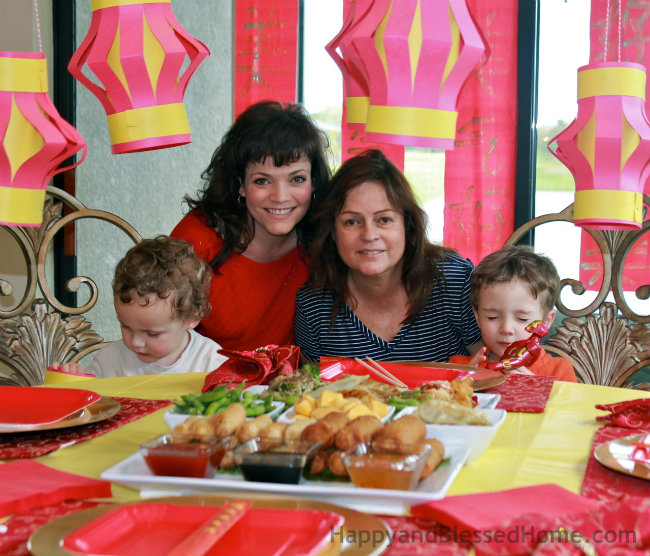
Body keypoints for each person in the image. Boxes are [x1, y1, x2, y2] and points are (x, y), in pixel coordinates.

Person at [295, 148, 483, 363]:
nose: (369, 235)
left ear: (407, 226)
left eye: (384, 220)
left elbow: (493, 365)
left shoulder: (454, 281)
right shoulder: (314, 306)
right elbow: (312, 384)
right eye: (352, 221)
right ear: (332, 232)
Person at [171, 100, 330, 350]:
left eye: (297, 179)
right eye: (262, 181)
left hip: (294, 376)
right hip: (203, 375)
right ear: (240, 185)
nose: (280, 196)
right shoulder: (197, 239)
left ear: (314, 183)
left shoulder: (325, 241)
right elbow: (158, 335)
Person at [52, 236, 227, 378]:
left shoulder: (211, 362)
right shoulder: (109, 361)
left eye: (152, 334)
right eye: (126, 327)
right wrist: (73, 382)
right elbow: (89, 406)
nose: (135, 342)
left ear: (191, 320)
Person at [448, 245, 577, 382]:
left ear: (546, 322)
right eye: (492, 317)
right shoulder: (458, 367)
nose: (506, 329)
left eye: (522, 319)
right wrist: (460, 386)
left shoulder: (559, 371)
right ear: (477, 316)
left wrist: (537, 389)